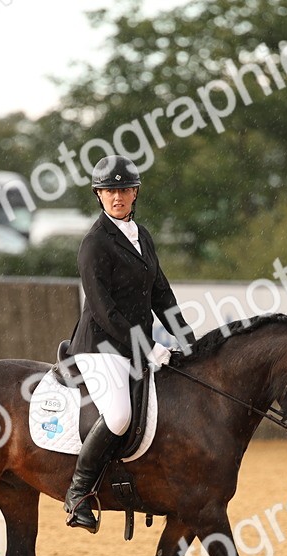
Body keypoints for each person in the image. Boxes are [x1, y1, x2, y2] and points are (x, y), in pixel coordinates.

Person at [63, 155, 193, 532]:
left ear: (134, 193)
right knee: (120, 416)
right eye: (108, 191)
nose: (116, 197)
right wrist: (146, 347)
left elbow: (162, 294)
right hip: (101, 347)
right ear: (98, 196)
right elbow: (104, 312)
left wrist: (189, 341)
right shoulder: (93, 245)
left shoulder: (142, 236)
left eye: (123, 189)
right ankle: (78, 493)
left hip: (135, 345)